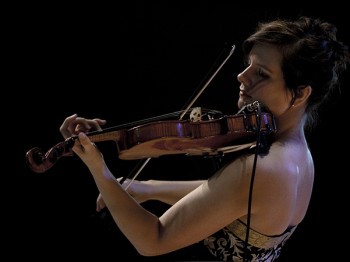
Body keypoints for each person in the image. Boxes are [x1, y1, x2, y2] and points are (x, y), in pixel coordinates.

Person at [59, 16, 350, 261]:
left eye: (261, 73)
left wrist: (100, 171)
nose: (241, 77)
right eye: (247, 64)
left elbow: (153, 240)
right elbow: (226, 195)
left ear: (300, 93)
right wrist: (146, 188)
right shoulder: (299, 156)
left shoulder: (259, 170)